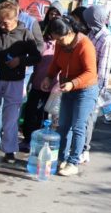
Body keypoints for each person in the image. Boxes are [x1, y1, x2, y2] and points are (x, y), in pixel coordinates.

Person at [41, 16, 98, 176]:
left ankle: (73, 162)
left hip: (85, 90)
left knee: (78, 126)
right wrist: (49, 77)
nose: (59, 42)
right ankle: (61, 159)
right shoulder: (60, 45)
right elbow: (55, 64)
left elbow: (90, 73)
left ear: (70, 32)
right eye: (56, 40)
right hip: (67, 89)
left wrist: (73, 83)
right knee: (63, 125)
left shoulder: (85, 45)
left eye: (61, 39)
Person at [0, 1, 42, 163]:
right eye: (0, 22)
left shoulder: (25, 34)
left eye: (5, 23)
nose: (2, 26)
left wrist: (20, 60)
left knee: (11, 118)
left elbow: (36, 57)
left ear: (15, 18)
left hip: (15, 80)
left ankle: (10, 150)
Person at [20, 2, 63, 149]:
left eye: (57, 13)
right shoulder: (41, 36)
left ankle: (41, 142)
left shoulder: (62, 43)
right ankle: (27, 139)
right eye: (51, 13)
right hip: (37, 80)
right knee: (31, 111)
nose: (53, 16)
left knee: (45, 114)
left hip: (53, 85)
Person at [82, 5, 111, 163]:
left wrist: (99, 91)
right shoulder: (91, 32)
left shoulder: (106, 38)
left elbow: (104, 68)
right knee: (81, 119)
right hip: (83, 81)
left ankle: (84, 149)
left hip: (94, 85)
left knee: (88, 119)